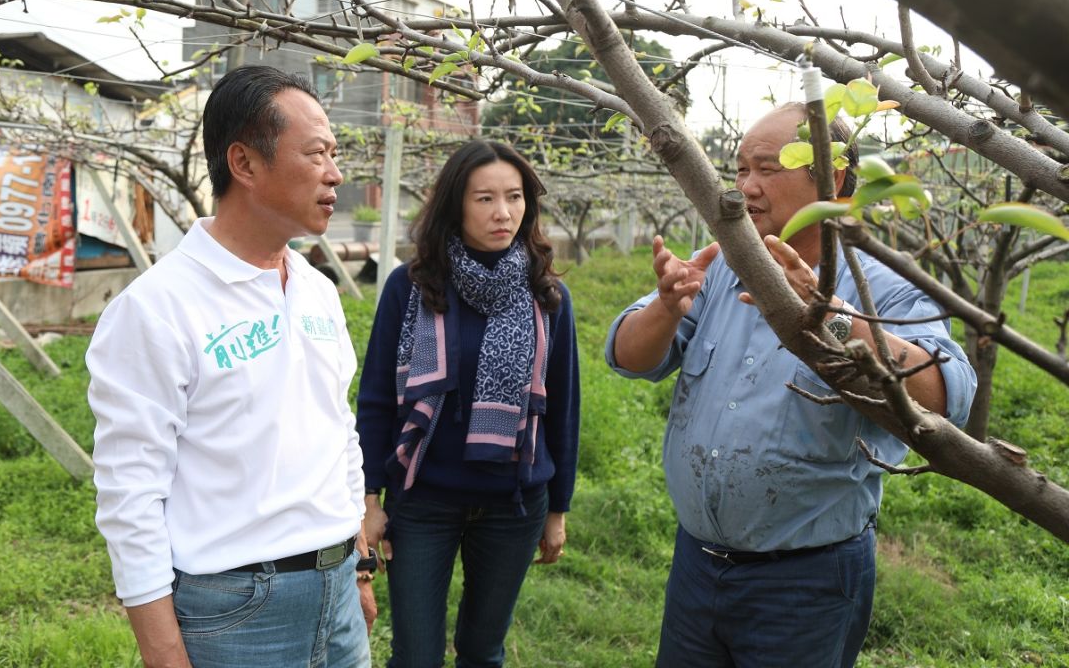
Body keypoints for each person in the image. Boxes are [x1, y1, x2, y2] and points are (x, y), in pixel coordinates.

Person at [605, 103, 977, 668]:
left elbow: (947, 394)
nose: (745, 188)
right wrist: (665, 305)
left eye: (767, 169)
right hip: (698, 564)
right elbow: (627, 356)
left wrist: (837, 320)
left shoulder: (885, 289)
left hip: (807, 581)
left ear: (838, 185)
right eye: (738, 171)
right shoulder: (725, 267)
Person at [86, 65, 375, 668]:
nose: (335, 174)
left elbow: (337, 432)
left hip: (338, 589)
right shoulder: (156, 308)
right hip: (238, 613)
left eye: (334, 153)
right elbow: (130, 495)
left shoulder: (317, 290)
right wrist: (166, 656)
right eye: (316, 153)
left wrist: (359, 563)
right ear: (244, 164)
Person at [356, 140, 581, 668]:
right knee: (415, 656)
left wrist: (559, 509)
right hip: (425, 500)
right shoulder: (409, 287)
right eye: (484, 198)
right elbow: (375, 401)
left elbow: (565, 408)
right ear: (455, 203)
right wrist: (368, 499)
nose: (503, 213)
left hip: (514, 503)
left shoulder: (546, 294)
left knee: (483, 652)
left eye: (515, 197)